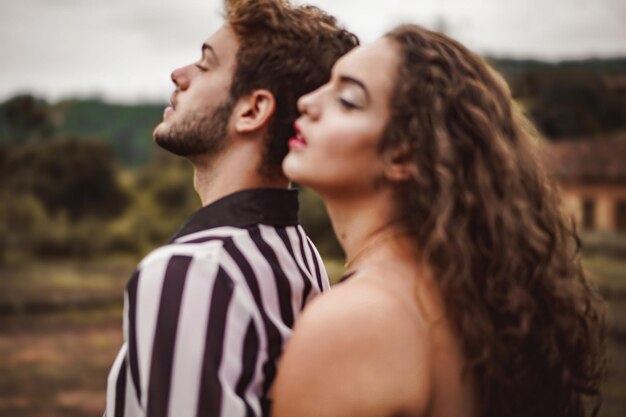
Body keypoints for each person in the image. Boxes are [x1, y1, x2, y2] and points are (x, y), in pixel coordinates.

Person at [272, 24, 607, 417]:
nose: (308, 102)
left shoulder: (355, 323)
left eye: (347, 99)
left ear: (402, 156)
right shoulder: (469, 304)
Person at [104, 1, 358, 416]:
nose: (178, 74)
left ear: (252, 110)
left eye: (205, 65)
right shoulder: (301, 253)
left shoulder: (193, 269)